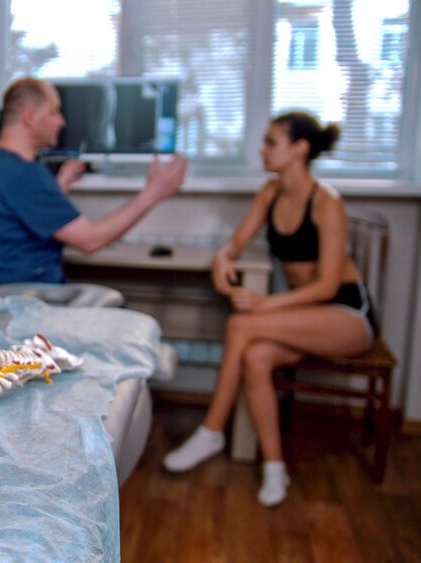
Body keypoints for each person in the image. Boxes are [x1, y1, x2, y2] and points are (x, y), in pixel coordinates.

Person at [162, 112, 377, 507]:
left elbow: (328, 285)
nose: (261, 150)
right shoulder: (269, 192)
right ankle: (275, 468)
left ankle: (212, 430)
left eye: (271, 142)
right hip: (301, 319)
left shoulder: (327, 202)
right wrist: (222, 259)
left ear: (300, 149)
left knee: (242, 326)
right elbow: (235, 242)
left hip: (346, 316)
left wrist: (267, 304)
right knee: (257, 357)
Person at [0, 77, 189, 286]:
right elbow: (90, 241)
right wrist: (153, 192)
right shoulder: (24, 175)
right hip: (31, 299)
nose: (61, 122)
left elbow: (19, 220)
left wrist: (58, 187)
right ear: (29, 116)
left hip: (9, 292)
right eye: (54, 112)